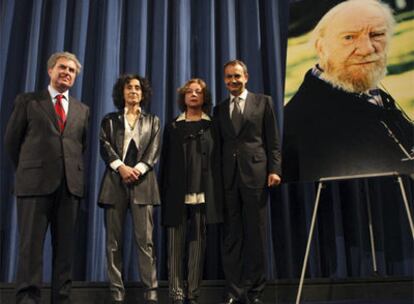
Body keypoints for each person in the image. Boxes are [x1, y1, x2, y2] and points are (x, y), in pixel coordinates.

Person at [283, 0, 414, 182]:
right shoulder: (304, 124)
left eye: (377, 34)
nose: (367, 49)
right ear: (321, 47)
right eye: (349, 37)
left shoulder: (369, 94)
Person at [4, 51, 89, 304]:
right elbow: (12, 142)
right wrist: (30, 170)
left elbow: (79, 146)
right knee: (30, 249)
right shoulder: (28, 101)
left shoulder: (82, 110)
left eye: (72, 70)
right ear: (50, 71)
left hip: (69, 188)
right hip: (34, 186)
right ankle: (28, 299)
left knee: (65, 252)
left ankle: (61, 299)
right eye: (62, 67)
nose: (66, 73)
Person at [214, 60, 282, 304]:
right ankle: (234, 291)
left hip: (256, 176)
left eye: (237, 77)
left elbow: (273, 141)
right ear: (224, 80)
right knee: (232, 236)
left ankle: (255, 291)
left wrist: (275, 170)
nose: (233, 81)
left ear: (247, 77)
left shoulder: (263, 102)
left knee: (256, 234)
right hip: (228, 180)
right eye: (228, 77)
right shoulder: (219, 109)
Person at [98, 74, 160, 304]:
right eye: (128, 88)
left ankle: (151, 292)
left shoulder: (153, 120)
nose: (133, 91)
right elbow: (104, 145)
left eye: (137, 88)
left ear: (143, 94)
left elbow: (154, 149)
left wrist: (139, 170)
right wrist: (121, 168)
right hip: (114, 184)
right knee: (113, 242)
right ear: (121, 93)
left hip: (143, 185)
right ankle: (117, 292)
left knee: (146, 242)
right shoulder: (110, 120)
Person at [160, 78, 223, 304]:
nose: (194, 95)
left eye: (198, 92)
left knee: (198, 244)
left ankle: (193, 292)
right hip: (176, 194)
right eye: (189, 91)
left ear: (204, 97)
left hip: (203, 194)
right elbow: (165, 164)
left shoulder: (213, 125)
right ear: (183, 97)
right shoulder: (173, 126)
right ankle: (176, 293)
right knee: (175, 246)